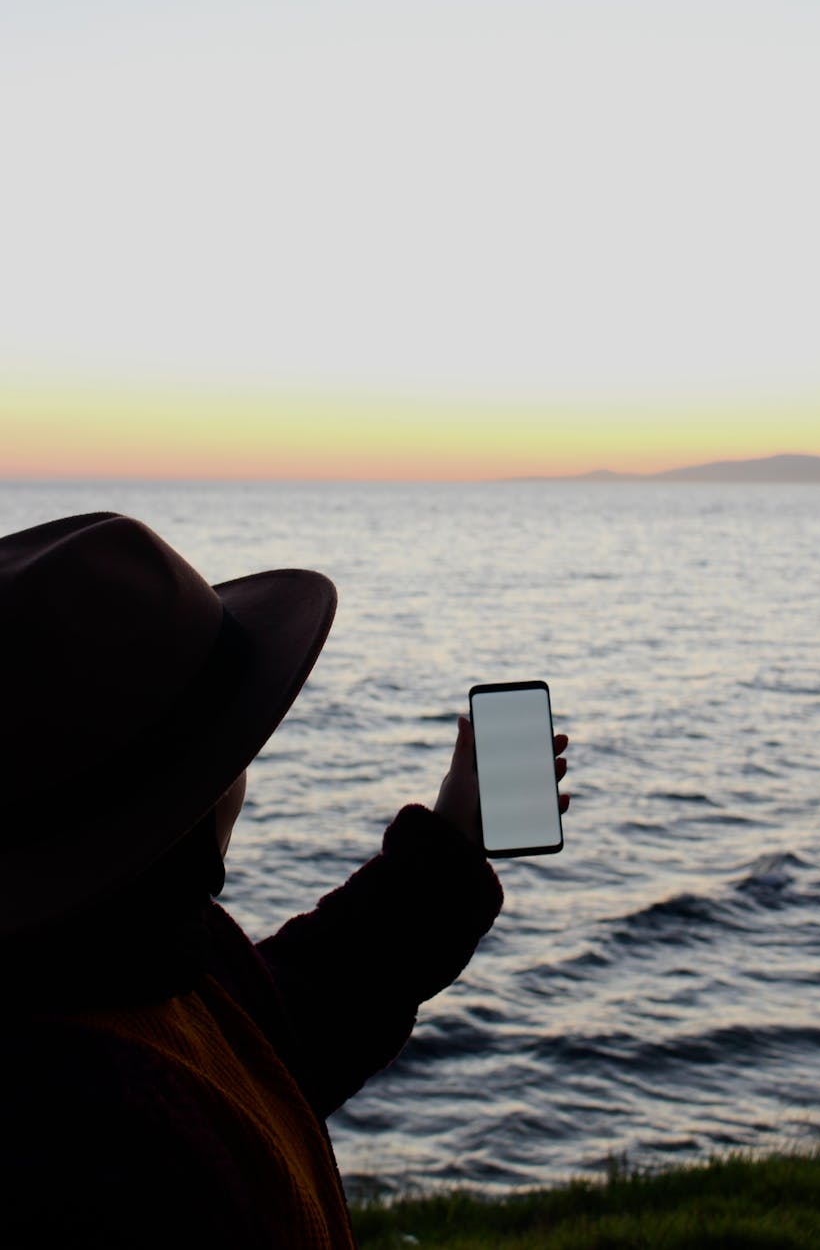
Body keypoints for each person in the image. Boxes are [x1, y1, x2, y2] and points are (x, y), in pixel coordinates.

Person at [0, 511, 569, 1248]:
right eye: (234, 746)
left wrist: (451, 844)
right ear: (186, 799)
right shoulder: (103, 1141)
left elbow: (289, 1020)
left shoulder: (125, 967)